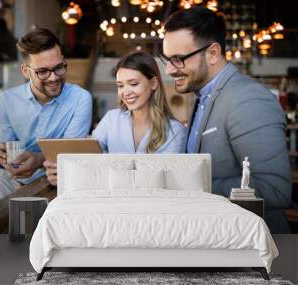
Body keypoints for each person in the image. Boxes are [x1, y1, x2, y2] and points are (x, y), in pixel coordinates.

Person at [161, 7, 291, 233]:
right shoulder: (200, 96)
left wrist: (189, 186)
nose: (169, 70)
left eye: (178, 59)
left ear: (212, 53)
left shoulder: (248, 99)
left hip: (252, 251)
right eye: (167, 59)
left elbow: (274, 189)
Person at [44, 51, 187, 185]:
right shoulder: (111, 120)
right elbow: (88, 159)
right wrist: (63, 170)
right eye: (120, 86)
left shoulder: (175, 131)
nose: (126, 92)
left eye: (133, 84)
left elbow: (166, 182)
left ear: (153, 83)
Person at [0, 28, 92, 199]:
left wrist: (39, 160)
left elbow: (68, 153)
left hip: (54, 185)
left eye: (59, 67)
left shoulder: (80, 99)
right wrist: (2, 158)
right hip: (11, 186)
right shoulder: (7, 100)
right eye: (43, 72)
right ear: (26, 71)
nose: (54, 78)